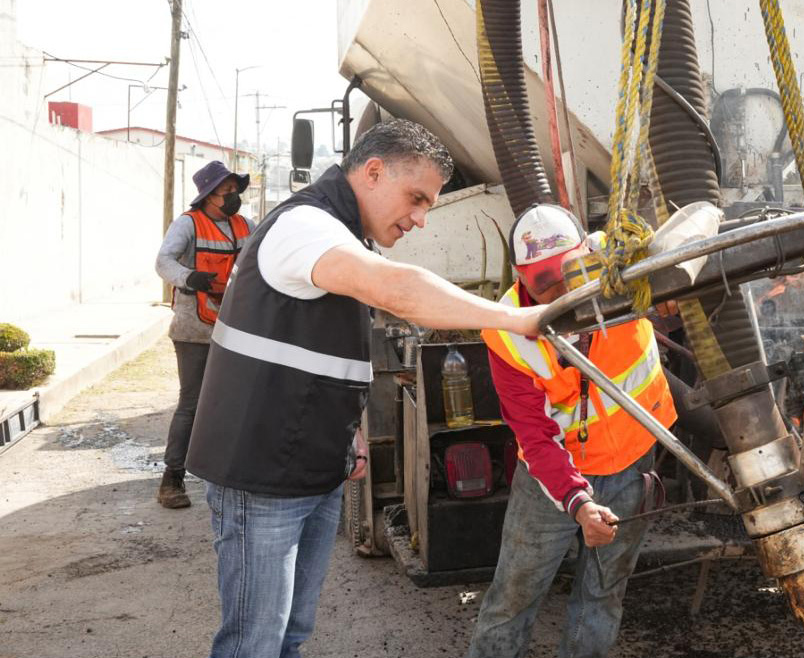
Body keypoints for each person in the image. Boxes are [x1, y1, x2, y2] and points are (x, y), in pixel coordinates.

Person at [184, 119, 546, 658]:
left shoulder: (339, 234)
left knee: (288, 635)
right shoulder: (305, 225)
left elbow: (314, 346)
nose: (421, 219)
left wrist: (348, 430)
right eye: (417, 199)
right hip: (261, 476)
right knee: (254, 644)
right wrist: (519, 319)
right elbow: (397, 289)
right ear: (373, 172)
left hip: (306, 466)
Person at [467, 204, 677, 658]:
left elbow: (680, 279)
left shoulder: (623, 266)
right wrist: (578, 503)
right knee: (512, 598)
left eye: (571, 273)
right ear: (521, 278)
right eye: (545, 283)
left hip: (631, 464)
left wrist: (672, 294)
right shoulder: (507, 333)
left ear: (589, 254)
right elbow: (534, 436)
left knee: (602, 596)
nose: (563, 292)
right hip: (552, 480)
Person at [153, 160, 255, 509]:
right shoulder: (188, 224)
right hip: (193, 329)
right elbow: (163, 262)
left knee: (237, 401)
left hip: (234, 327)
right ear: (209, 195)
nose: (233, 196)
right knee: (192, 403)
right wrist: (189, 277)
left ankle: (232, 475)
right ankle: (172, 479)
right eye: (226, 191)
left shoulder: (245, 225)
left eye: (235, 190)